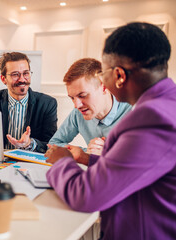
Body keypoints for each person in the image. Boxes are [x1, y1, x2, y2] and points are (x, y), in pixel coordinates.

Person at [45, 22, 176, 239]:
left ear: (119, 76)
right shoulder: (166, 104)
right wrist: (87, 159)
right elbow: (137, 168)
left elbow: (86, 195)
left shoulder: (153, 119)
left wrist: (62, 162)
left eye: (104, 73)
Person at [49, 58, 131, 155]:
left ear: (104, 87)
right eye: (72, 98)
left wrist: (107, 153)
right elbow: (53, 145)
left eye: (82, 96)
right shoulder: (78, 113)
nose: (76, 105)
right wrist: (86, 153)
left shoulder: (134, 111)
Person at [0, 52, 58, 153]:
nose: (22, 79)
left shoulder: (47, 103)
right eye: (15, 75)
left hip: (30, 163)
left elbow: (51, 144)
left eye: (26, 73)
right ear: (3, 79)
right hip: (0, 160)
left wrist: (29, 144)